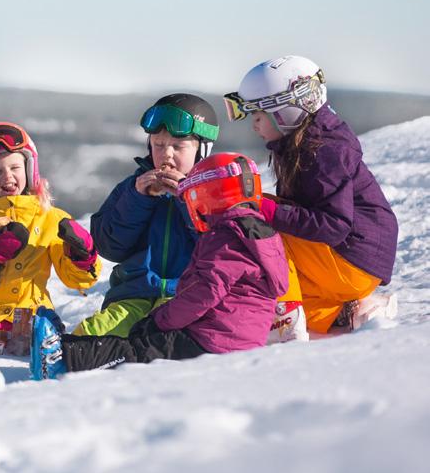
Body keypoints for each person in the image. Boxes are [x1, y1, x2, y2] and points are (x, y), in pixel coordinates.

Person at [30, 152, 289, 379]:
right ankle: (68, 347)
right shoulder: (259, 235)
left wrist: (158, 321)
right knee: (141, 341)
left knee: (138, 351)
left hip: (212, 341)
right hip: (231, 337)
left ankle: (63, 362)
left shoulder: (225, 239)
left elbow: (200, 293)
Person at [223, 55, 399, 333]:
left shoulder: (324, 152)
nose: (254, 125)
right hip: (355, 262)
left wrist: (264, 212)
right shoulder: (301, 145)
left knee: (255, 219)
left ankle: (286, 319)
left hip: (355, 256)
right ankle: (351, 313)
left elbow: (333, 226)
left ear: (287, 112)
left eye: (258, 115)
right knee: (261, 293)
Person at [0, 122, 101, 343]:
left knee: (47, 344)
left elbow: (77, 281)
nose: (7, 176)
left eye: (14, 168)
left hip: (31, 314)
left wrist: (83, 256)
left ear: (28, 168)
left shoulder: (50, 218)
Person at [74, 94, 219, 338]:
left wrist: (188, 199)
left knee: (161, 339)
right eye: (158, 145)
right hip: (133, 293)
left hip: (186, 295)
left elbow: (219, 247)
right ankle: (59, 356)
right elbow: (109, 245)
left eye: (178, 146)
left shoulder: (215, 192)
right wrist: (139, 200)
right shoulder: (132, 188)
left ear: (202, 150)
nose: (167, 155)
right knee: (94, 334)